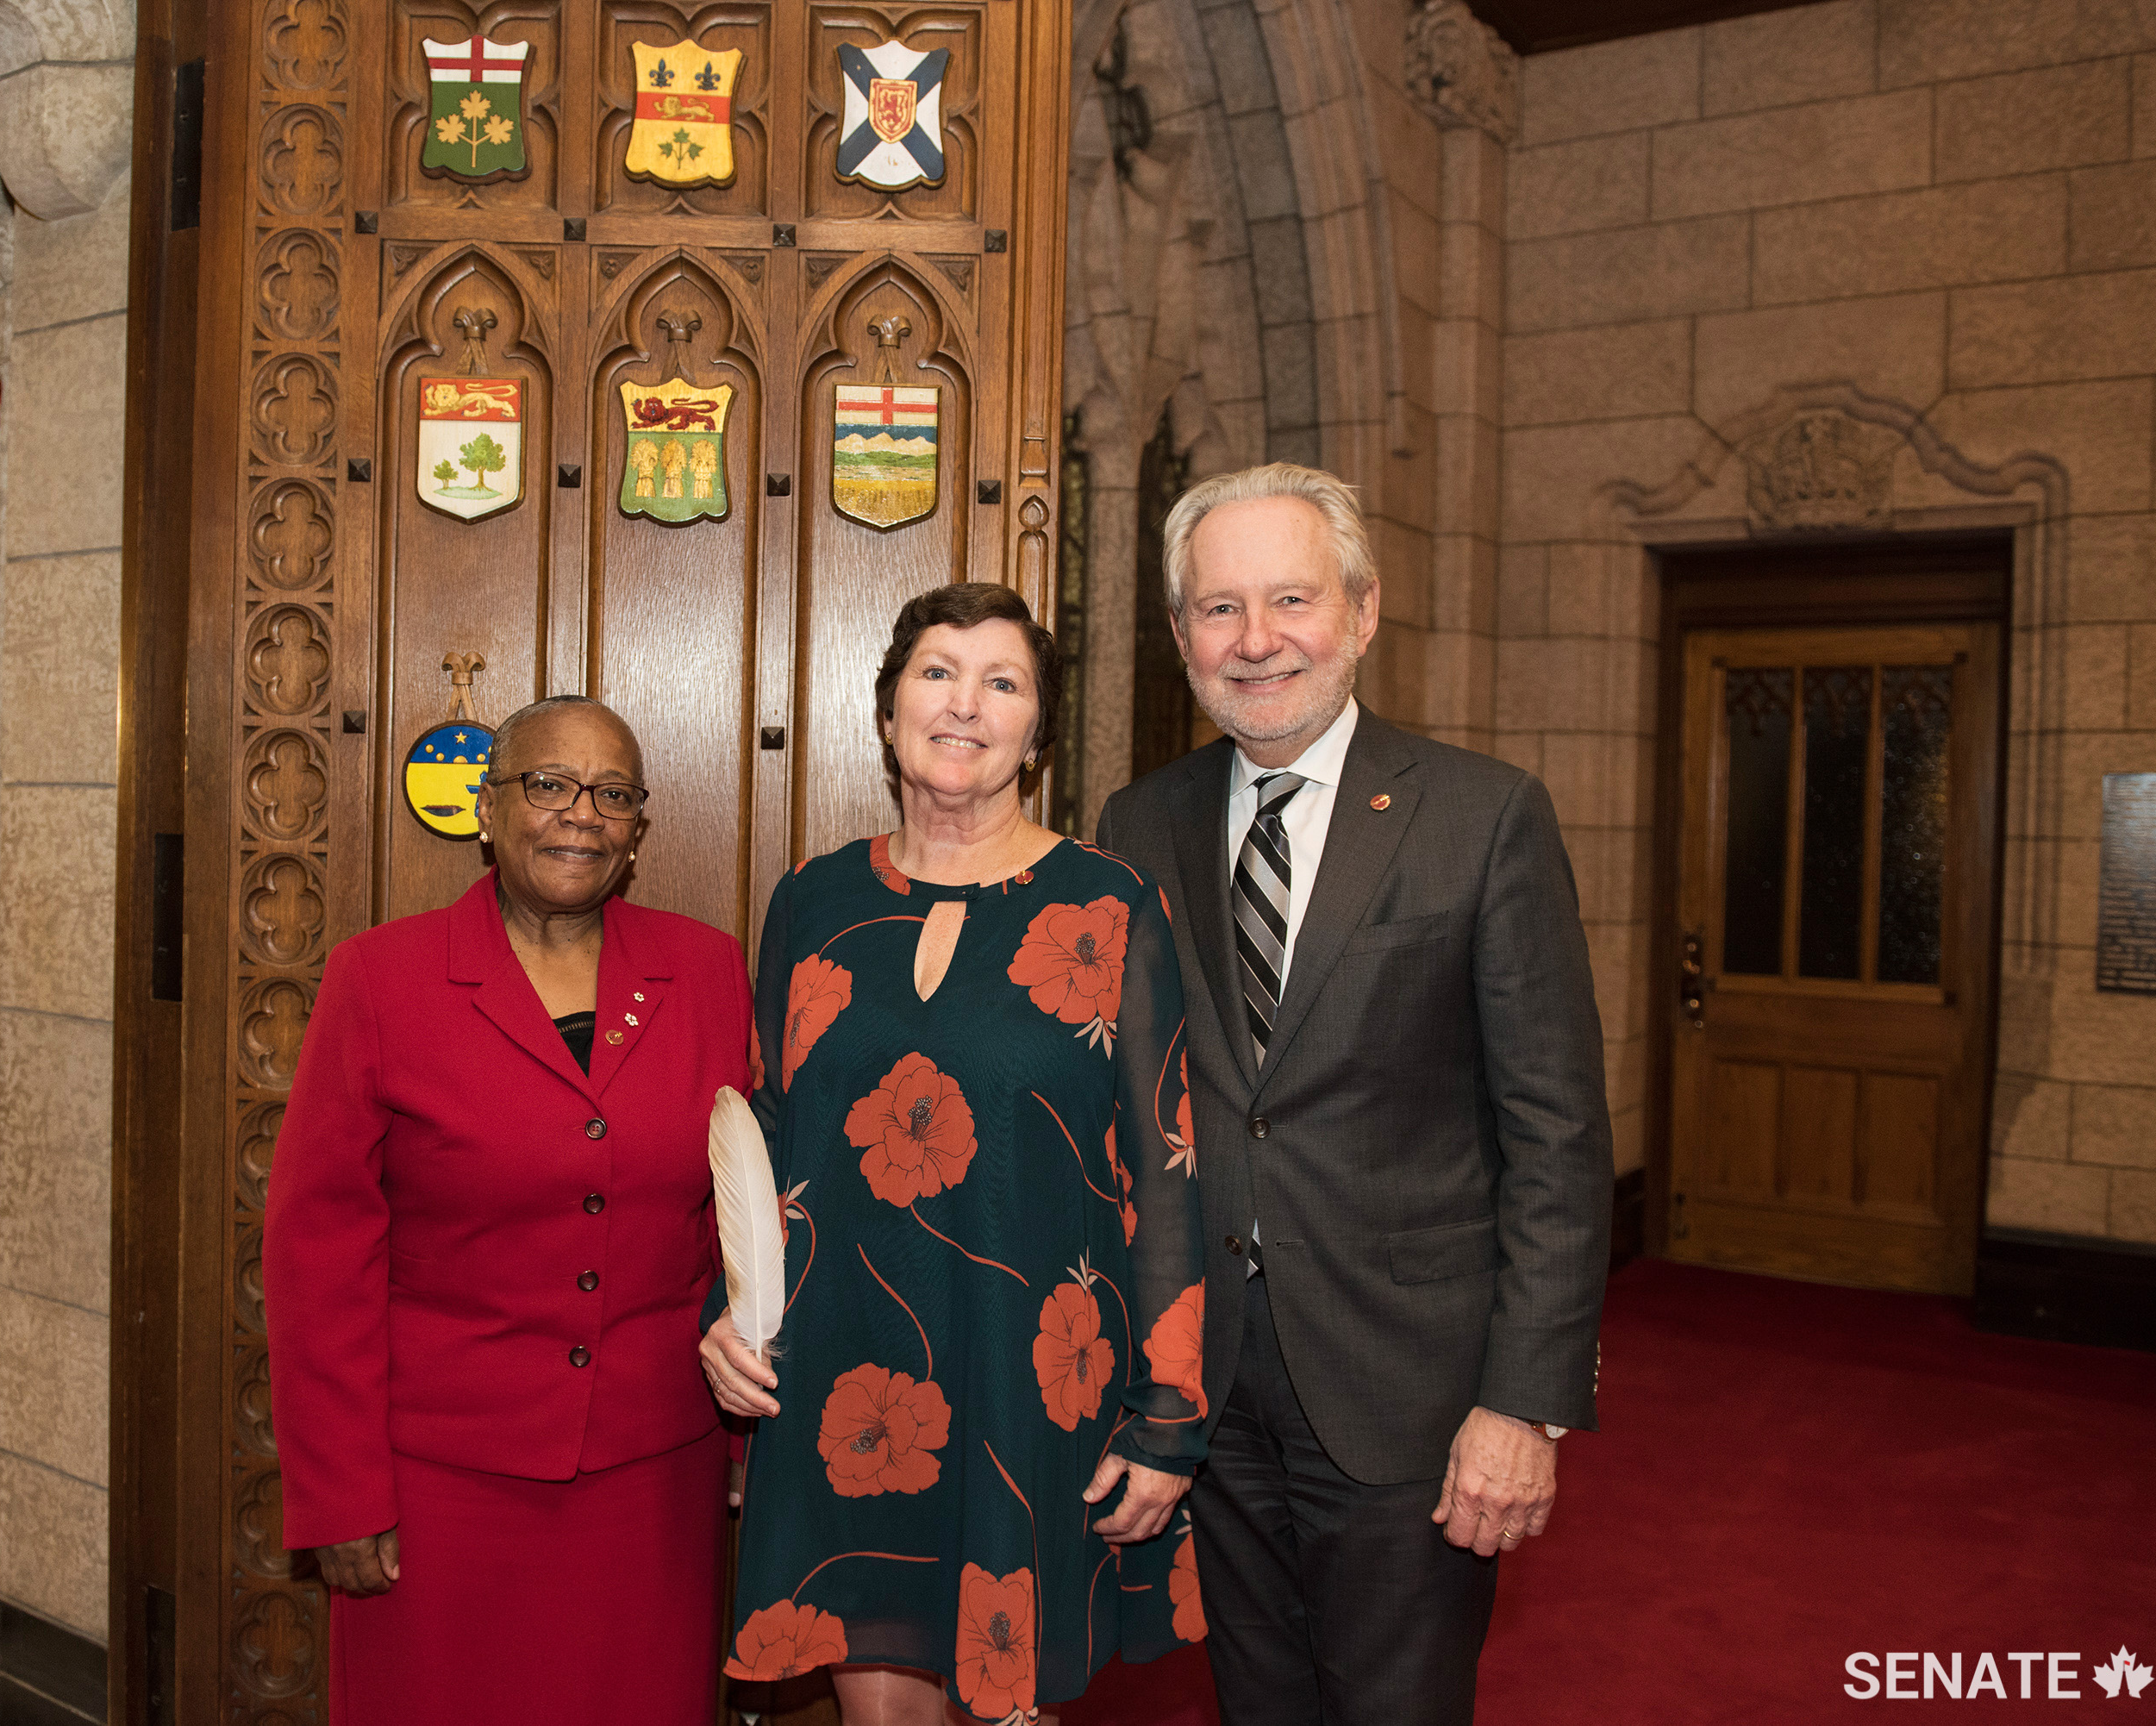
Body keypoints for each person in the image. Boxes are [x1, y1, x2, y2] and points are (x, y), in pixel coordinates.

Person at [1095, 464, 1612, 1725]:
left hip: (1411, 1396)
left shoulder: (1483, 817)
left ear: (1364, 611)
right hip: (1205, 1384)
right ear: (1180, 638)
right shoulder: (1136, 823)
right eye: (1219, 609)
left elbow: (1557, 1130)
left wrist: (1524, 1399)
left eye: (1290, 599)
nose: (1256, 640)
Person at [703, 584, 1208, 1725]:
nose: (965, 704)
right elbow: (772, 1134)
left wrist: (1170, 1412)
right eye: (937, 672)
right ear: (888, 714)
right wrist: (728, 1311)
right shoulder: (813, 901)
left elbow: (1165, 1165)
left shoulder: (1113, 904)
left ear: (1038, 728)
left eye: (1003, 681)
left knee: (1004, 1705)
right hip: (837, 1374)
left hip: (1027, 1378)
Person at [264, 695, 753, 1724]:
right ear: (488, 810)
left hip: (650, 1485)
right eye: (547, 784)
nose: (580, 813)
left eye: (612, 794)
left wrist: (756, 1436)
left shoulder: (705, 971)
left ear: (637, 830)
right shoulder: (380, 979)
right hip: (437, 1488)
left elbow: (739, 1225)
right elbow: (319, 1253)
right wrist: (341, 1495)